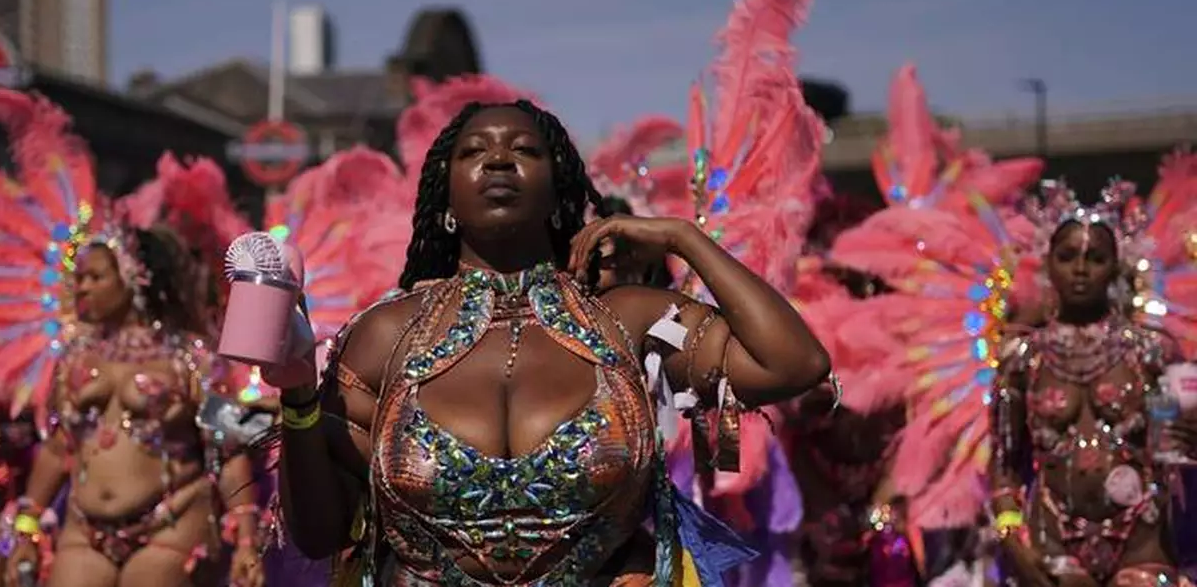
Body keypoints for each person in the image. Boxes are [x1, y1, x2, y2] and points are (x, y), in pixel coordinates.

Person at [269, 100, 831, 585]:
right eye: (473, 152)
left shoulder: (626, 321)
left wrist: (681, 237)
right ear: (445, 198)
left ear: (558, 188)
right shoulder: (383, 338)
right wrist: (296, 396)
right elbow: (321, 535)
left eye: (524, 149)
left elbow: (792, 363)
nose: (497, 158)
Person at [3, 224, 264, 587]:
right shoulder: (74, 357)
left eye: (95, 276)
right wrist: (27, 528)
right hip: (85, 532)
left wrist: (247, 540)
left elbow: (230, 450)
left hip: (171, 528)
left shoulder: (192, 358)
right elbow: (59, 446)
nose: (82, 287)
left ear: (133, 277)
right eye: (79, 278)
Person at [989, 181, 1197, 586]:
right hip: (1052, 544)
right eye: (1067, 257)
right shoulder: (1021, 360)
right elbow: (1002, 466)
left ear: (1116, 266)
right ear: (1048, 264)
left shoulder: (1153, 353)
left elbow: (1183, 452)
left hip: (1142, 540)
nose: (1080, 268)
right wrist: (1012, 538)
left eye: (1095, 257)